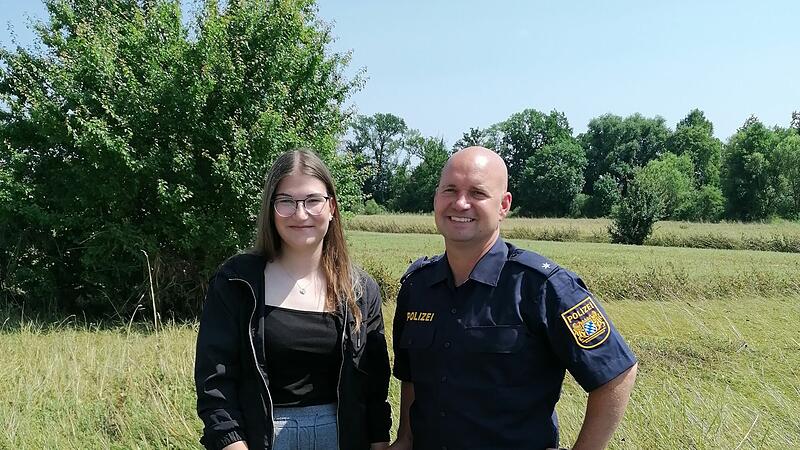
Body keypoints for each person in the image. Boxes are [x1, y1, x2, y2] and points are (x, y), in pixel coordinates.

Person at [390, 146, 638, 450]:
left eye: (477, 193)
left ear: (503, 205)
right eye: (450, 190)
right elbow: (412, 377)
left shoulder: (542, 286)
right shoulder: (417, 287)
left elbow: (616, 372)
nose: (461, 203)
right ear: (436, 198)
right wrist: (405, 438)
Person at [195, 149, 391, 450]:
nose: (300, 214)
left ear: (332, 207)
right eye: (286, 201)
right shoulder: (236, 283)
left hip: (343, 440)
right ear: (270, 209)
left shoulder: (361, 290)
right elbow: (215, 383)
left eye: (313, 200)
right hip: (260, 440)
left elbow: (375, 389)